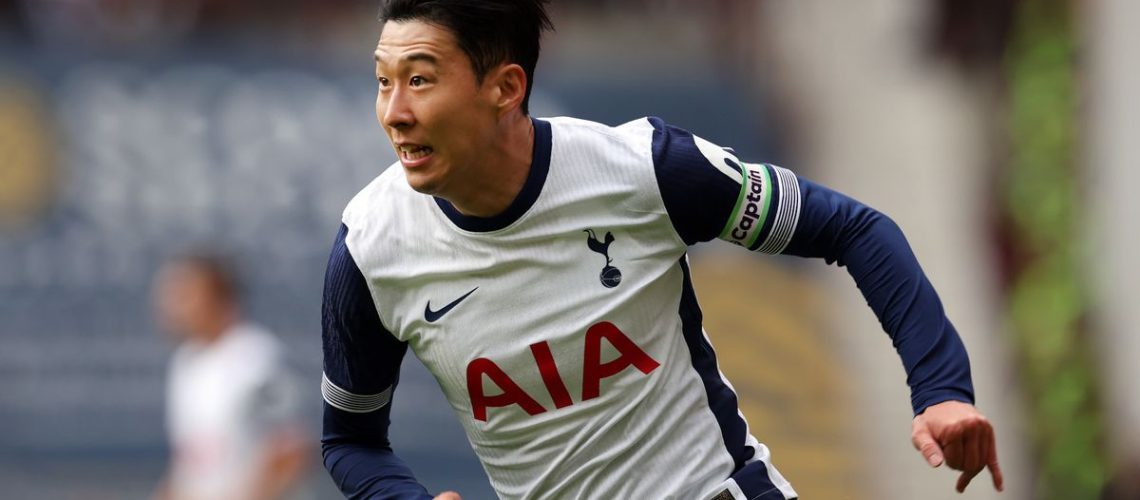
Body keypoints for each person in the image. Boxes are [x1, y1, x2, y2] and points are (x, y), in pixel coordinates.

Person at [320, 1, 1004, 498]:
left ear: (505, 88)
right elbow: (350, 440)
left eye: (419, 78)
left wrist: (941, 389)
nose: (393, 111)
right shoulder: (372, 247)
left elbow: (854, 229)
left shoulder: (644, 171)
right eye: (383, 81)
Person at [153, 253, 312, 500]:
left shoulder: (257, 358)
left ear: (220, 299)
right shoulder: (184, 363)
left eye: (187, 294)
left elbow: (291, 450)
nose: (174, 306)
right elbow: (189, 465)